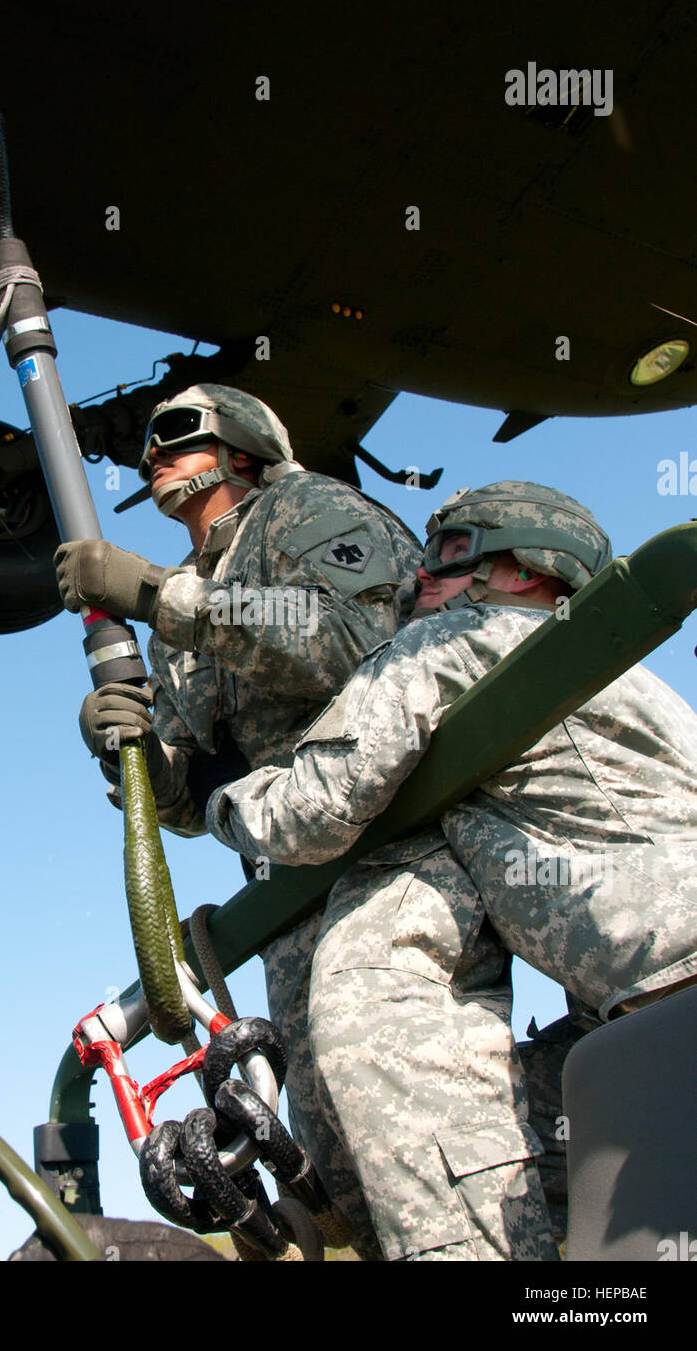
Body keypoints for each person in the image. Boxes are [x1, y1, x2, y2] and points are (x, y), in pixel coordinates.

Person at [204, 481, 697, 1261]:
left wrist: (217, 799)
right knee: (517, 1110)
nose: (416, 579)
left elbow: (311, 810)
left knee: (401, 1097)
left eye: (449, 555)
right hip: (644, 1014)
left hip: (667, 1000)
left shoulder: (455, 640)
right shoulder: (638, 685)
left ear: (530, 569)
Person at [54, 383, 423, 1258]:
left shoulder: (305, 510)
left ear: (243, 447)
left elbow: (356, 636)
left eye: (177, 434)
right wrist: (129, 754)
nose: (153, 456)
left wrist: (151, 596)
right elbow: (190, 799)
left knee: (400, 1101)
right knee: (330, 1145)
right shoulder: (182, 594)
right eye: (146, 446)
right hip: (289, 892)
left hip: (400, 848)